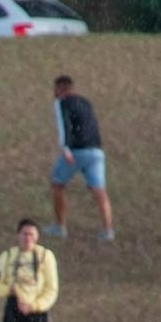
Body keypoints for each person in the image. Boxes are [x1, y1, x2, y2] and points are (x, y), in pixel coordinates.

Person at [45, 75, 114, 241]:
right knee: (100, 191)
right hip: (96, 151)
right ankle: (107, 230)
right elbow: (92, 124)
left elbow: (64, 126)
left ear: (60, 90)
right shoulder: (85, 102)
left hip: (77, 151)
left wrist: (65, 149)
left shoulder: (61, 103)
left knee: (57, 184)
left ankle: (59, 227)